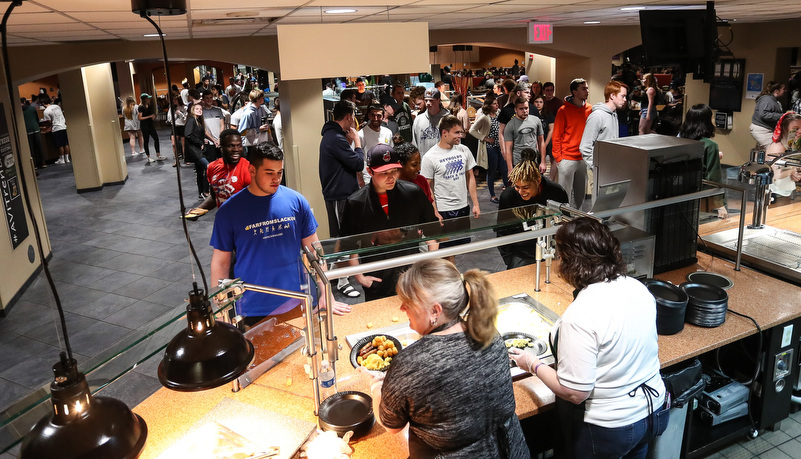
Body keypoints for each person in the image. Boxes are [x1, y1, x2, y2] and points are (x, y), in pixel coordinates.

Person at [510, 217, 668, 459]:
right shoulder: (636, 287)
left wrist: (532, 364)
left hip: (610, 428)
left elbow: (575, 392)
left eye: (561, 257)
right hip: (652, 412)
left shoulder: (581, 315)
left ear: (572, 263)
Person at [364, 258, 530, 458]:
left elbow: (390, 424)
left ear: (435, 311)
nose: (401, 309)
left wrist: (376, 386)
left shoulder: (411, 364)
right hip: (512, 450)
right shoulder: (490, 335)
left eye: (407, 303)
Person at [210, 142, 350, 326]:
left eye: (280, 172)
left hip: (297, 298)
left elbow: (315, 251)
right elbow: (221, 262)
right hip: (253, 305)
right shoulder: (229, 211)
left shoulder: (296, 201)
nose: (276, 178)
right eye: (269, 173)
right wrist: (220, 311)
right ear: (252, 170)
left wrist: (326, 293)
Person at [340, 144, 438, 301]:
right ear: (370, 171)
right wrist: (360, 276)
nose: (391, 177)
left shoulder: (413, 193)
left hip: (411, 276)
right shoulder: (356, 203)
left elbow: (432, 231)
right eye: (383, 173)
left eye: (394, 171)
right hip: (377, 279)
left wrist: (426, 268)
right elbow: (350, 244)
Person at [319, 100, 365, 298]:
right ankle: (342, 280)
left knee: (345, 238)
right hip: (340, 196)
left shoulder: (333, 136)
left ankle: (337, 275)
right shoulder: (336, 138)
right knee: (343, 239)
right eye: (353, 118)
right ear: (348, 117)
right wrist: (357, 142)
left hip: (341, 194)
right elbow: (358, 163)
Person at [497, 148, 568, 268]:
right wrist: (509, 259)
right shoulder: (508, 196)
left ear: (538, 180)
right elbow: (502, 231)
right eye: (517, 187)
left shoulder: (556, 192)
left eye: (525, 187)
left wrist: (562, 253)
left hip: (550, 252)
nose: (520, 191)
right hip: (520, 255)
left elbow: (564, 226)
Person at [421, 115, 480, 224]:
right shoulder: (429, 157)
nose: (460, 136)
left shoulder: (464, 150)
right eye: (456, 133)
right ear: (444, 133)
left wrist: (475, 204)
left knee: (464, 240)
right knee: (446, 241)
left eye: (460, 132)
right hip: (444, 210)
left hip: (463, 206)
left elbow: (470, 177)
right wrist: (434, 210)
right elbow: (427, 187)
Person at [184, 129, 251, 219]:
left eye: (239, 146)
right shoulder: (212, 167)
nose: (236, 150)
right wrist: (198, 210)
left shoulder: (249, 170)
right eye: (231, 146)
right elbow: (215, 195)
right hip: (224, 222)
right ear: (221, 149)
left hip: (244, 223)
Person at [679, 104, 728, 218]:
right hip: (703, 198)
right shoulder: (711, 146)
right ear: (706, 122)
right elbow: (713, 176)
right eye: (712, 117)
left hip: (682, 193)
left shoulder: (680, 140)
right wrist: (719, 205)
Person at [553, 78, 592, 209]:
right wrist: (559, 159)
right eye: (584, 88)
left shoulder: (590, 110)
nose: (587, 91)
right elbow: (556, 135)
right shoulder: (563, 110)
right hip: (567, 159)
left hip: (583, 158)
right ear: (575, 92)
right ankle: (563, 222)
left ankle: (577, 221)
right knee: (565, 195)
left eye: (587, 88)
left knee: (581, 196)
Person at [580, 80, 628, 170]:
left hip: (610, 168)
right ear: (612, 96)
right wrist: (596, 167)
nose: (625, 100)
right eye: (623, 96)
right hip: (598, 170)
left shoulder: (614, 114)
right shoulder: (597, 116)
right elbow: (585, 147)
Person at [470, 93, 507, 203]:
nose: (497, 106)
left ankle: (508, 191)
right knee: (492, 170)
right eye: (494, 104)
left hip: (500, 146)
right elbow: (472, 130)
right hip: (491, 147)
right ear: (489, 105)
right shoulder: (484, 117)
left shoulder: (499, 113)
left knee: (504, 169)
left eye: (497, 104)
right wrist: (484, 138)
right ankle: (492, 195)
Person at [503, 97, 546, 173]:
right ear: (516, 109)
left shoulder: (536, 120)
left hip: (534, 160)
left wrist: (543, 161)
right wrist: (510, 168)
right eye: (521, 109)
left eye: (526, 108)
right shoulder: (510, 125)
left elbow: (541, 142)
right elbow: (508, 148)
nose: (524, 111)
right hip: (518, 162)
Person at [765, 112, 801, 198]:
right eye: (795, 128)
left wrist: (795, 173)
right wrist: (792, 171)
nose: (799, 131)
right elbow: (776, 174)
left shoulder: (793, 145)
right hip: (774, 194)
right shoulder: (778, 147)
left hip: (786, 193)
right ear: (784, 129)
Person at [358, 104, 394, 185]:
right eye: (373, 115)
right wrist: (360, 180)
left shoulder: (388, 133)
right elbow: (357, 160)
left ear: (383, 116)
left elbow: (391, 155)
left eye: (378, 116)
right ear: (369, 116)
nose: (376, 118)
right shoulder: (361, 134)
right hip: (368, 178)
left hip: (385, 177)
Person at [412, 87, 450, 156]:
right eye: (426, 101)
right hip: (424, 162)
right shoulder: (418, 120)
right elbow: (415, 144)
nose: (428, 103)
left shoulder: (449, 119)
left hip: (443, 161)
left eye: (431, 100)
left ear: (439, 100)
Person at [750, 81, 787, 150]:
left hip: (766, 129)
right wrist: (782, 115)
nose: (785, 90)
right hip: (762, 130)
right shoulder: (767, 99)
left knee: (761, 151)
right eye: (783, 89)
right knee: (773, 149)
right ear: (776, 91)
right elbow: (764, 114)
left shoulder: (773, 100)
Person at [184, 102, 210, 199]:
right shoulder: (192, 120)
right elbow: (188, 134)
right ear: (192, 111)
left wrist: (203, 140)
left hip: (197, 149)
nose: (199, 111)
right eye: (197, 109)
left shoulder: (198, 121)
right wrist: (200, 143)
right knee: (208, 166)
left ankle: (201, 192)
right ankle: (206, 190)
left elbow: (195, 134)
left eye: (200, 109)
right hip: (194, 150)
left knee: (200, 171)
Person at [41, 95, 71, 165]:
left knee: (60, 145)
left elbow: (49, 122)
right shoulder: (57, 106)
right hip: (63, 126)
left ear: (42, 103)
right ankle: (67, 158)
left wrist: (45, 128)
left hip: (56, 128)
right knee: (66, 143)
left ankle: (62, 159)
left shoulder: (46, 111)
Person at [21, 98, 45, 169]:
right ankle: (43, 163)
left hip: (27, 131)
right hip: (36, 129)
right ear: (25, 102)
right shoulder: (32, 109)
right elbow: (37, 119)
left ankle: (34, 165)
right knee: (39, 147)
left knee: (31, 149)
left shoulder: (19, 112)